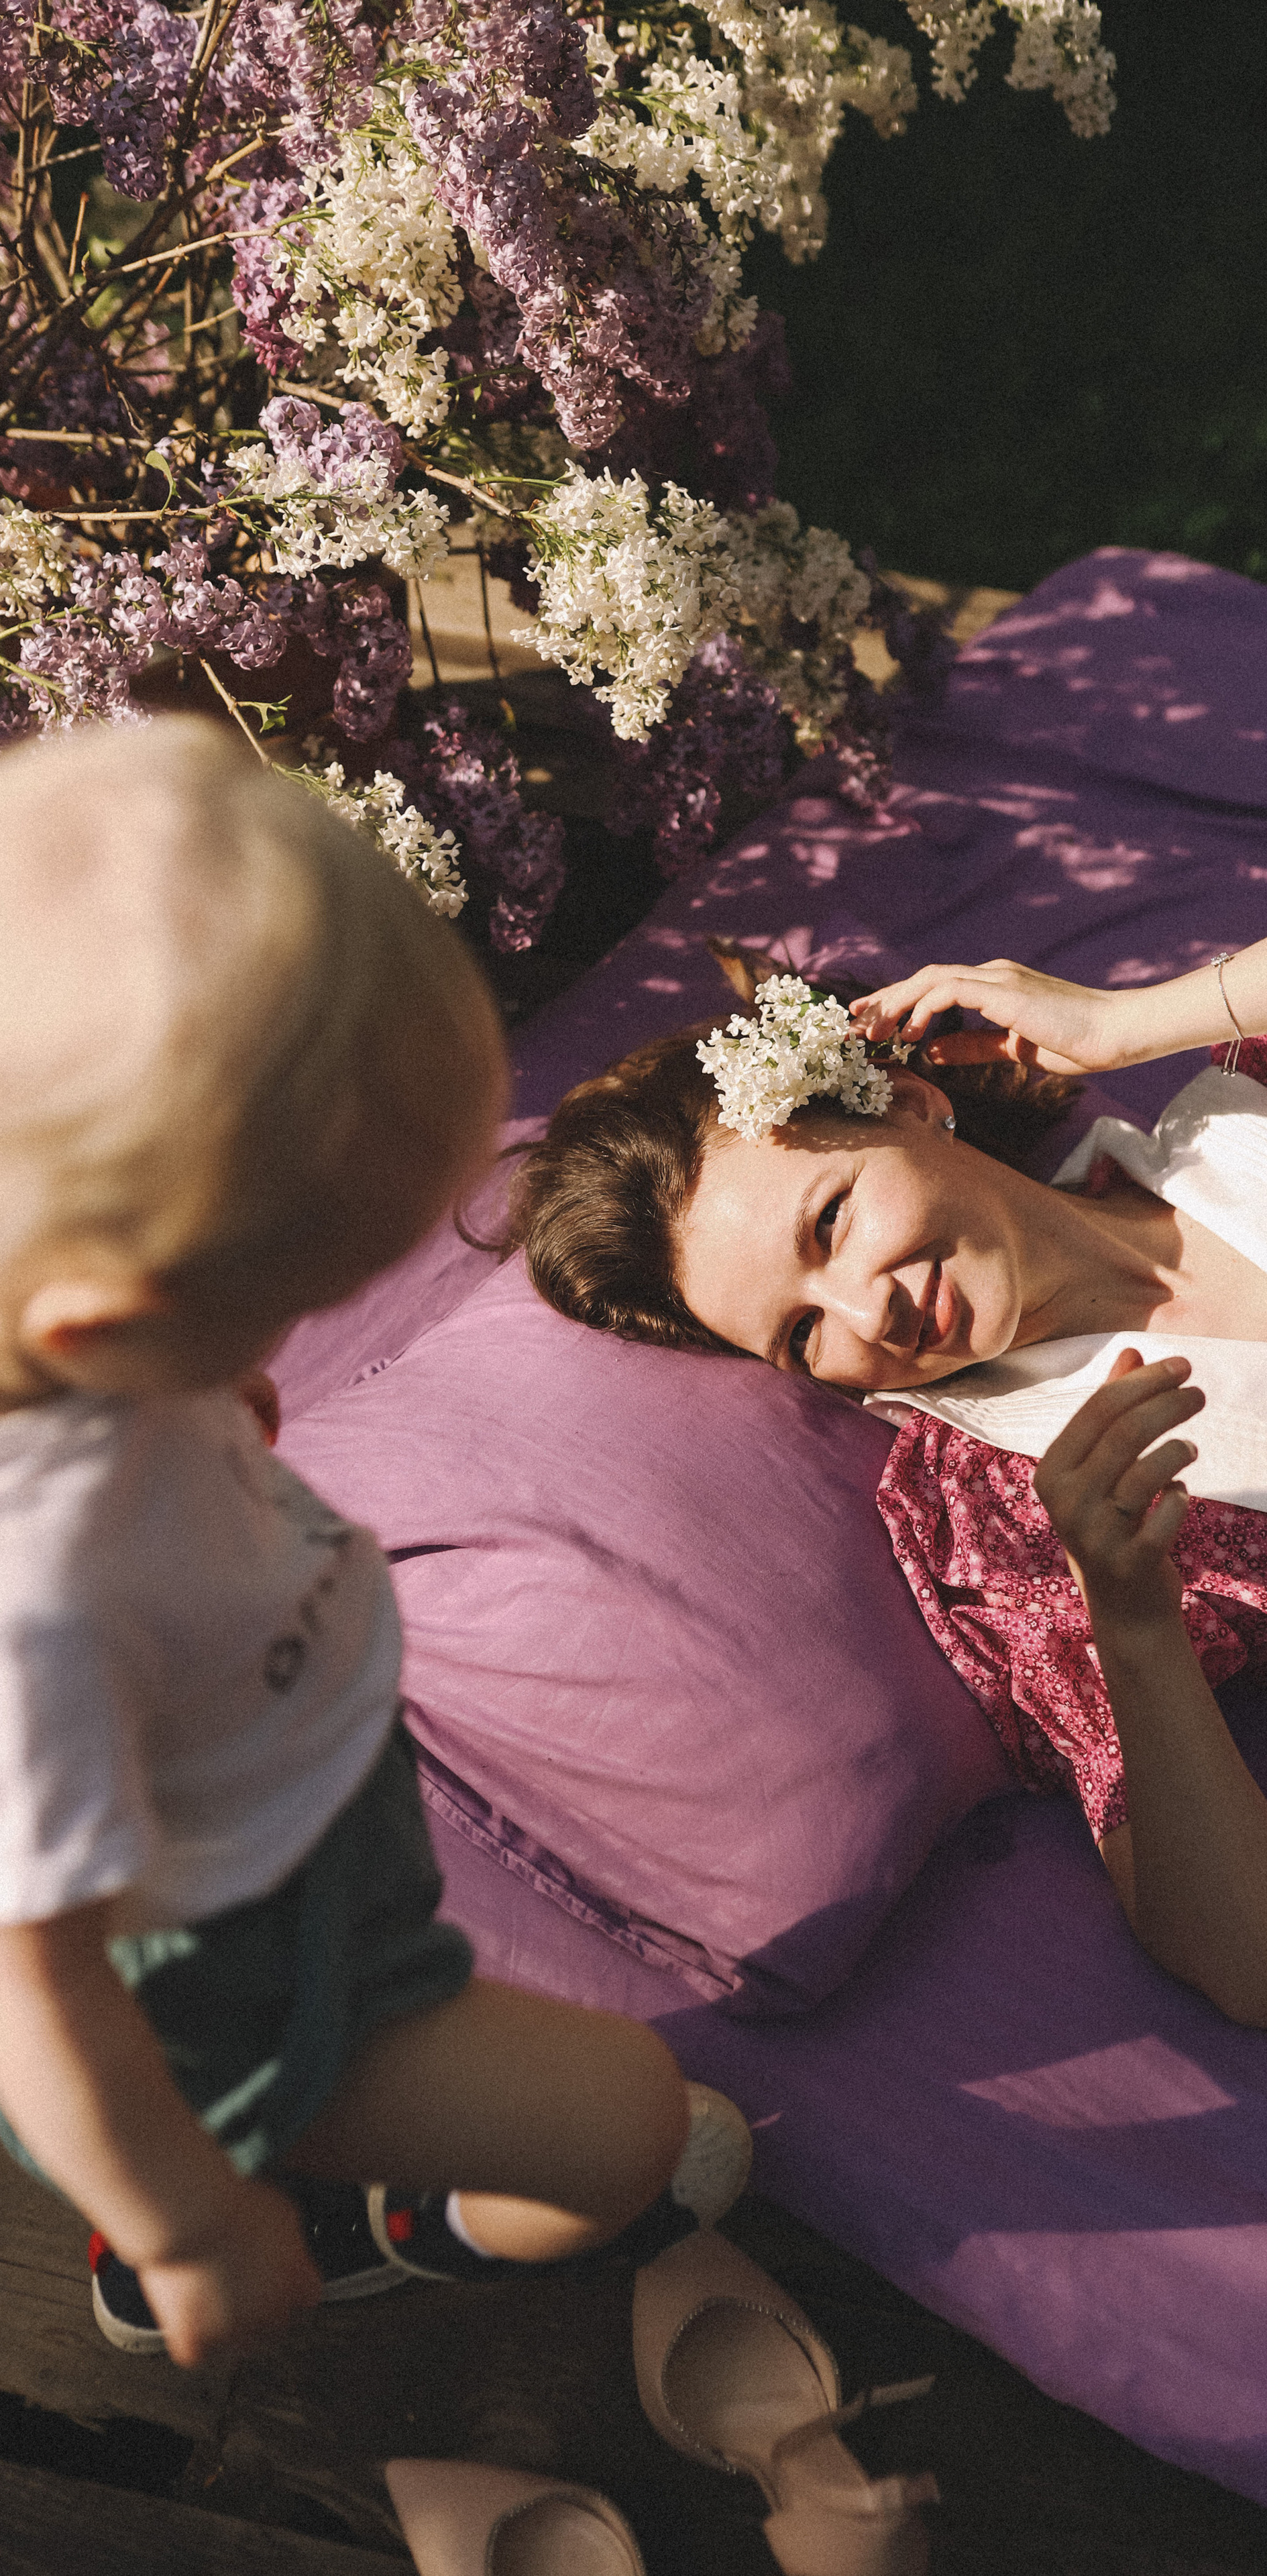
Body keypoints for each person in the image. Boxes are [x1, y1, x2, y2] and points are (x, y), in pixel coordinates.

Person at [499, 859, 1267, 2112]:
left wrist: (1131, 1018)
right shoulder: (1015, 1505)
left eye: (831, 1224)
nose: (866, 1309)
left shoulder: (1260, 1137)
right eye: (802, 1336)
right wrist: (1133, 1623)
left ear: (914, 1106)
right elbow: (1261, 1974)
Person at [0, 718, 750, 2370]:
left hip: (282, 1783)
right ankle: (350, 2216)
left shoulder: (57, 1321)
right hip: (225, 1972)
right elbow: (32, 1990)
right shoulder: (31, 1613)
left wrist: (204, 1407)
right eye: (287, 1303)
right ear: (114, 1320)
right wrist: (194, 2224)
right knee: (628, 2130)